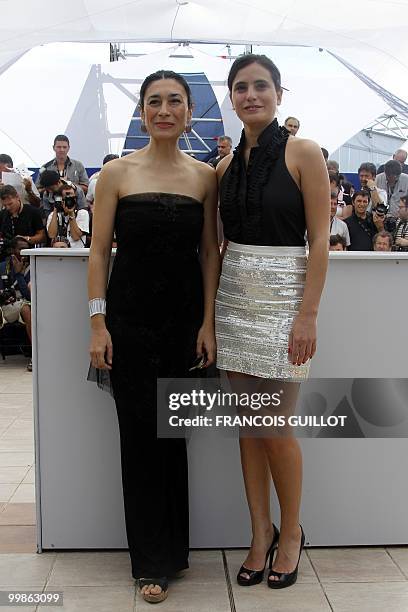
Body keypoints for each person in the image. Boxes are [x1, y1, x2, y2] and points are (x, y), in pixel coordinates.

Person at [87, 70, 220, 603]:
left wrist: (208, 322)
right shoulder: (115, 174)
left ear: (189, 112)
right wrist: (97, 321)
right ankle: (148, 562)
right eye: (154, 102)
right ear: (142, 111)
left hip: (185, 322)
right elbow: (99, 253)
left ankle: (175, 555)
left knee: (174, 438)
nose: (164, 110)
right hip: (129, 322)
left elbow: (209, 252)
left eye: (175, 102)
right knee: (137, 440)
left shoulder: (205, 176)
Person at [215, 54, 329, 591]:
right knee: (247, 428)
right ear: (231, 97)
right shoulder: (223, 166)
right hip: (235, 299)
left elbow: (321, 241)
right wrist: (209, 318)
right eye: (241, 87)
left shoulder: (305, 153)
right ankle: (259, 533)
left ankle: (292, 535)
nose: (251, 94)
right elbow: (215, 247)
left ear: (279, 93)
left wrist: (307, 313)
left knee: (275, 427)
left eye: (261, 85)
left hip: (287, 303)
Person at [0, 236, 32, 370]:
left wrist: (19, 275)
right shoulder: (3, 266)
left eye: (27, 249)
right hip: (5, 306)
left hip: (24, 304)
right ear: (13, 250)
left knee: (26, 309)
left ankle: (35, 356)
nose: (24, 253)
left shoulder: (33, 267)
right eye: (21, 249)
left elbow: (28, 295)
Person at [46, 184, 89, 248]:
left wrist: (71, 214)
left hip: (76, 253)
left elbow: (76, 237)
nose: (70, 201)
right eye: (67, 198)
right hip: (57, 252)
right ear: (61, 200)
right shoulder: (53, 215)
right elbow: (52, 235)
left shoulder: (82, 213)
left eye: (73, 198)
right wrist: (56, 208)